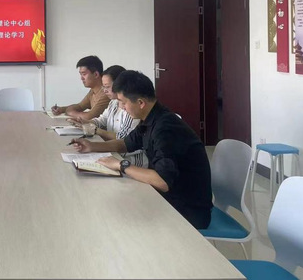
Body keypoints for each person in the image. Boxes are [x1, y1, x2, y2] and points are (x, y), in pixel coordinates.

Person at [71, 70, 212, 229]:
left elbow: (163, 181)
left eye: (123, 102)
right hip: (168, 196)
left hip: (187, 210)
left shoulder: (165, 129)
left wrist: (121, 165)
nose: (121, 107)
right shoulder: (150, 118)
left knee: (117, 218)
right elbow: (125, 144)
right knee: (111, 204)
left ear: (140, 103)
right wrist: (92, 146)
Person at [70, 65, 147, 166]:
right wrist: (86, 122)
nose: (104, 90)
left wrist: (95, 130)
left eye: (107, 87)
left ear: (119, 85)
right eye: (103, 87)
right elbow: (102, 120)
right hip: (113, 152)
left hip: (130, 159)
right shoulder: (113, 103)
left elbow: (123, 139)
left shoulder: (131, 108)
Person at [51, 55, 110, 121]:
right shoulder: (93, 91)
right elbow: (80, 106)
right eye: (81, 74)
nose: (81, 78)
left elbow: (89, 117)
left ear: (96, 74)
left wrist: (70, 112)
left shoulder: (106, 93)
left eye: (84, 74)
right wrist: (61, 109)